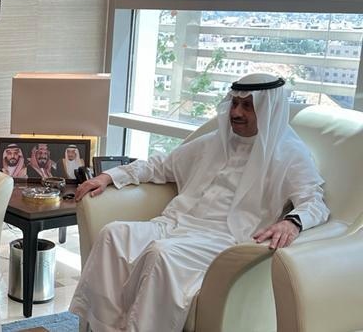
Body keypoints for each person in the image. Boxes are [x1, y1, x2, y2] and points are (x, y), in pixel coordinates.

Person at [69, 73, 329, 331]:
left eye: (247, 106)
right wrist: (109, 176)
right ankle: (103, 327)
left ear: (267, 108)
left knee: (161, 253)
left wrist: (292, 223)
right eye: (235, 103)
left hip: (225, 239)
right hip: (177, 223)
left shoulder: (289, 154)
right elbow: (161, 165)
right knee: (113, 235)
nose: (236, 113)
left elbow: (314, 201)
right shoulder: (214, 141)